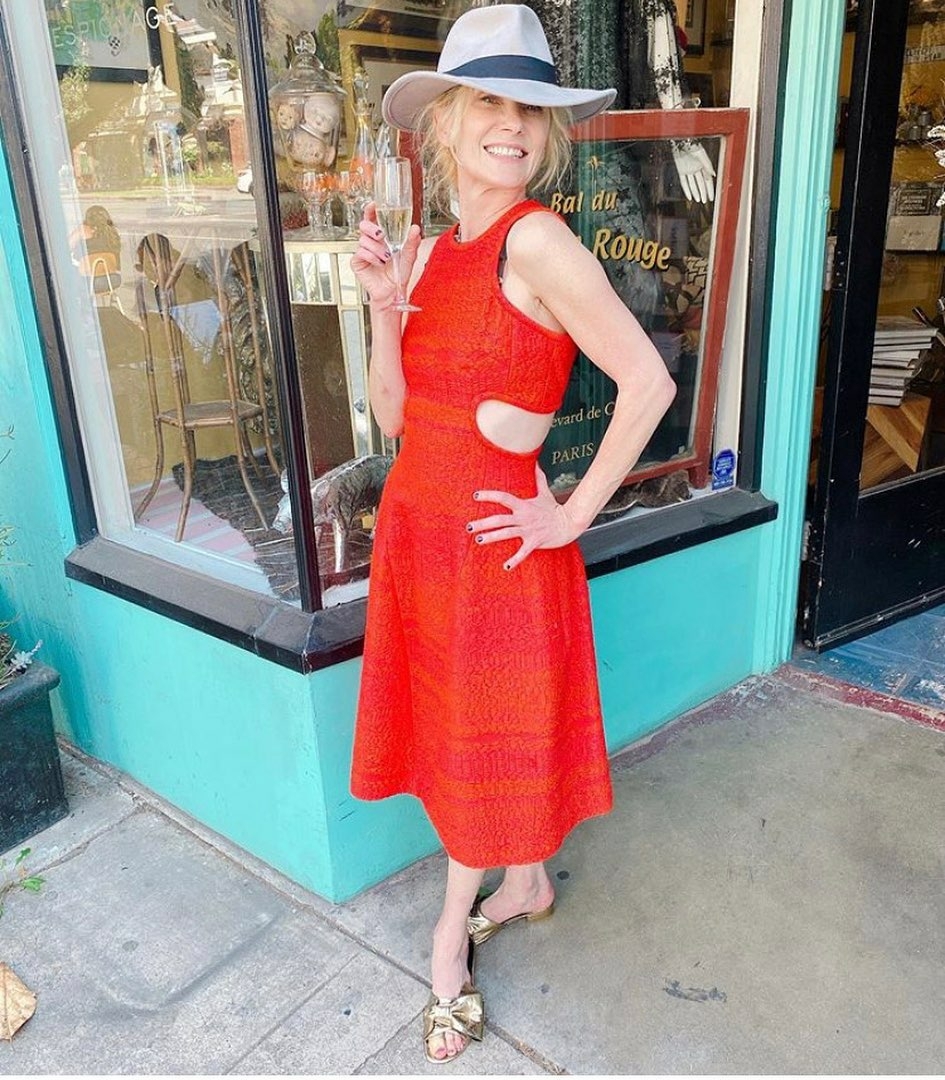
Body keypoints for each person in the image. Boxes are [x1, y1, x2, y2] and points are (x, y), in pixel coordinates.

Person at [349, 4, 677, 1064]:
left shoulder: (535, 238)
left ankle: (450, 937)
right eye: (489, 102)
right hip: (420, 536)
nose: (512, 125)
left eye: (530, 110)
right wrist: (382, 308)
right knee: (451, 736)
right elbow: (393, 419)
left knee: (477, 749)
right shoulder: (436, 248)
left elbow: (648, 382)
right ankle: (526, 880)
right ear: (444, 123)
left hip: (495, 547)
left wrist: (572, 512)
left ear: (548, 133)